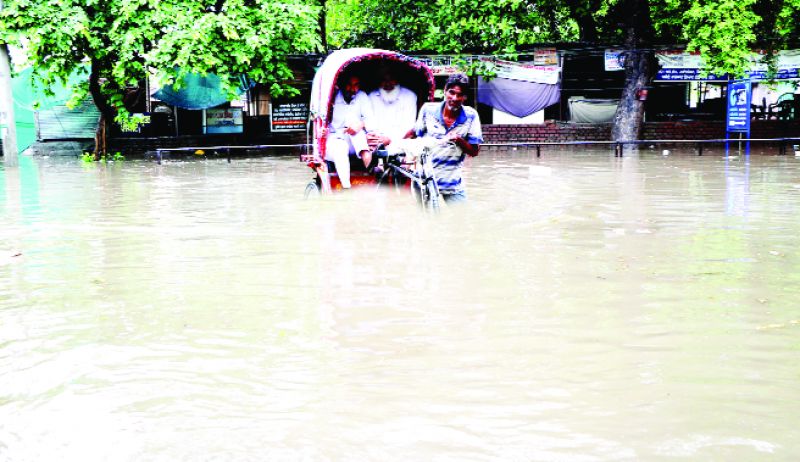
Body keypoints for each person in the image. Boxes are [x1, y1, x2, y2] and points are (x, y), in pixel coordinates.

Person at [412, 73, 482, 203]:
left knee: (462, 219)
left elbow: (474, 151)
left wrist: (459, 140)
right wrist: (393, 143)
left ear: (465, 97)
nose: (455, 98)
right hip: (425, 180)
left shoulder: (471, 116)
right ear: (444, 91)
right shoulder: (428, 110)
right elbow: (416, 136)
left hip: (452, 183)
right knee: (428, 220)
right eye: (451, 92)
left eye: (460, 94)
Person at [324, 74, 374, 189]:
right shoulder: (332, 97)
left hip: (355, 138)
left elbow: (371, 120)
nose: (353, 89)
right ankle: (346, 187)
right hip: (334, 138)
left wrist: (360, 125)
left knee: (362, 140)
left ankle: (371, 178)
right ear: (342, 85)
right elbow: (322, 120)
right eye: (349, 85)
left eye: (356, 85)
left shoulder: (362, 96)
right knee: (341, 147)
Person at [367, 68, 418, 153]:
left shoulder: (410, 96)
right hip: (377, 141)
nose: (388, 84)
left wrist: (390, 139)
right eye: (384, 80)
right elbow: (369, 123)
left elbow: (409, 127)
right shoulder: (371, 97)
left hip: (401, 141)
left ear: (397, 80)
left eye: (391, 79)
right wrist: (378, 139)